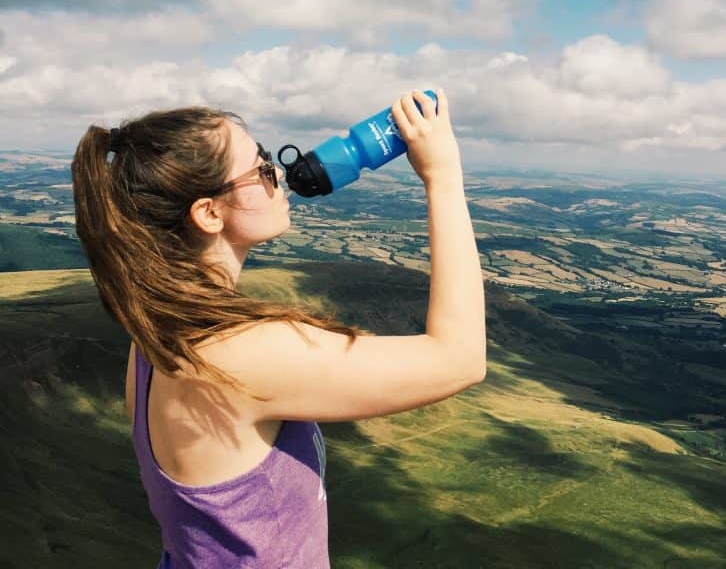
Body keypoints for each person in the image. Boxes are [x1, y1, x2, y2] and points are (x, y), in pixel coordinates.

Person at [71, 87, 486, 569]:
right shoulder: (236, 353)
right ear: (208, 213)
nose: (278, 175)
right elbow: (460, 359)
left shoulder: (156, 335)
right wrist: (443, 177)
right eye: (260, 168)